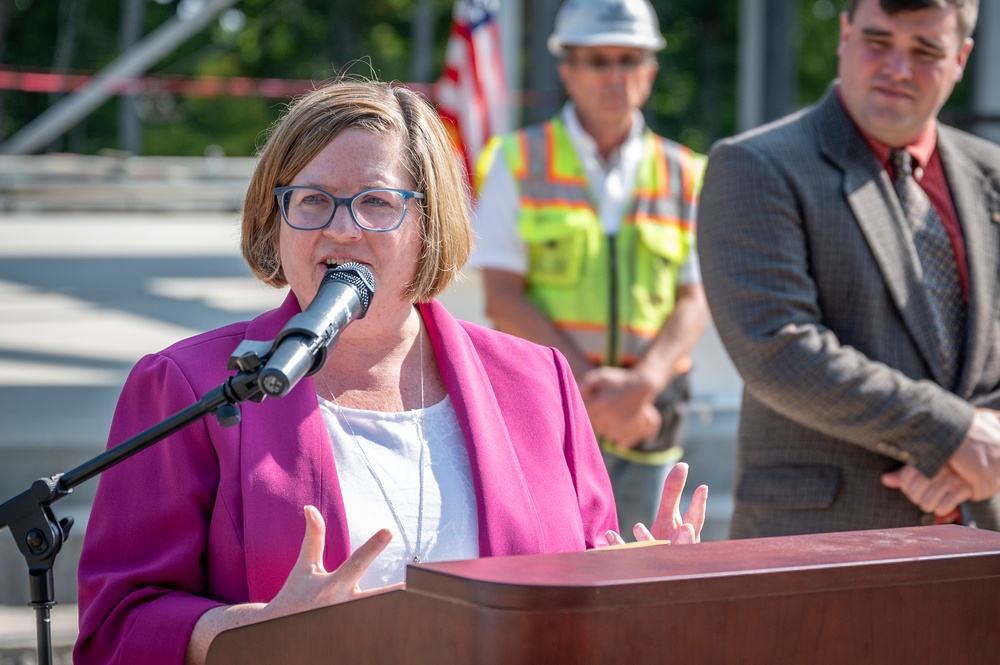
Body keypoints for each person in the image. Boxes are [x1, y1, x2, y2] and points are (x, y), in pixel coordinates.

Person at [73, 78, 708, 665]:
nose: (342, 229)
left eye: (378, 202)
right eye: (312, 200)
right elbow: (116, 628)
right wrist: (251, 628)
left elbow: (582, 582)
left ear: (431, 223)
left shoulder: (537, 382)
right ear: (276, 219)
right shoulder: (189, 386)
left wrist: (643, 585)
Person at [697, 0, 1000, 540]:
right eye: (878, 42)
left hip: (982, 539)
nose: (897, 68)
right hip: (822, 554)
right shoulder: (756, 166)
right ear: (844, 33)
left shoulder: (991, 175)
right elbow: (778, 348)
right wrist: (953, 437)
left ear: (962, 58)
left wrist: (992, 441)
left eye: (926, 50)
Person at [472, 0, 709, 532]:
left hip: (649, 415)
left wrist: (641, 385)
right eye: (598, 61)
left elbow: (695, 300)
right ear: (568, 70)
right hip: (545, 410)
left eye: (628, 59)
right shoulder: (515, 160)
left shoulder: (686, 172)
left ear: (650, 71)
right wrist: (589, 392)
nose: (615, 75)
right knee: (552, 575)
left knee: (643, 581)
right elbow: (502, 297)